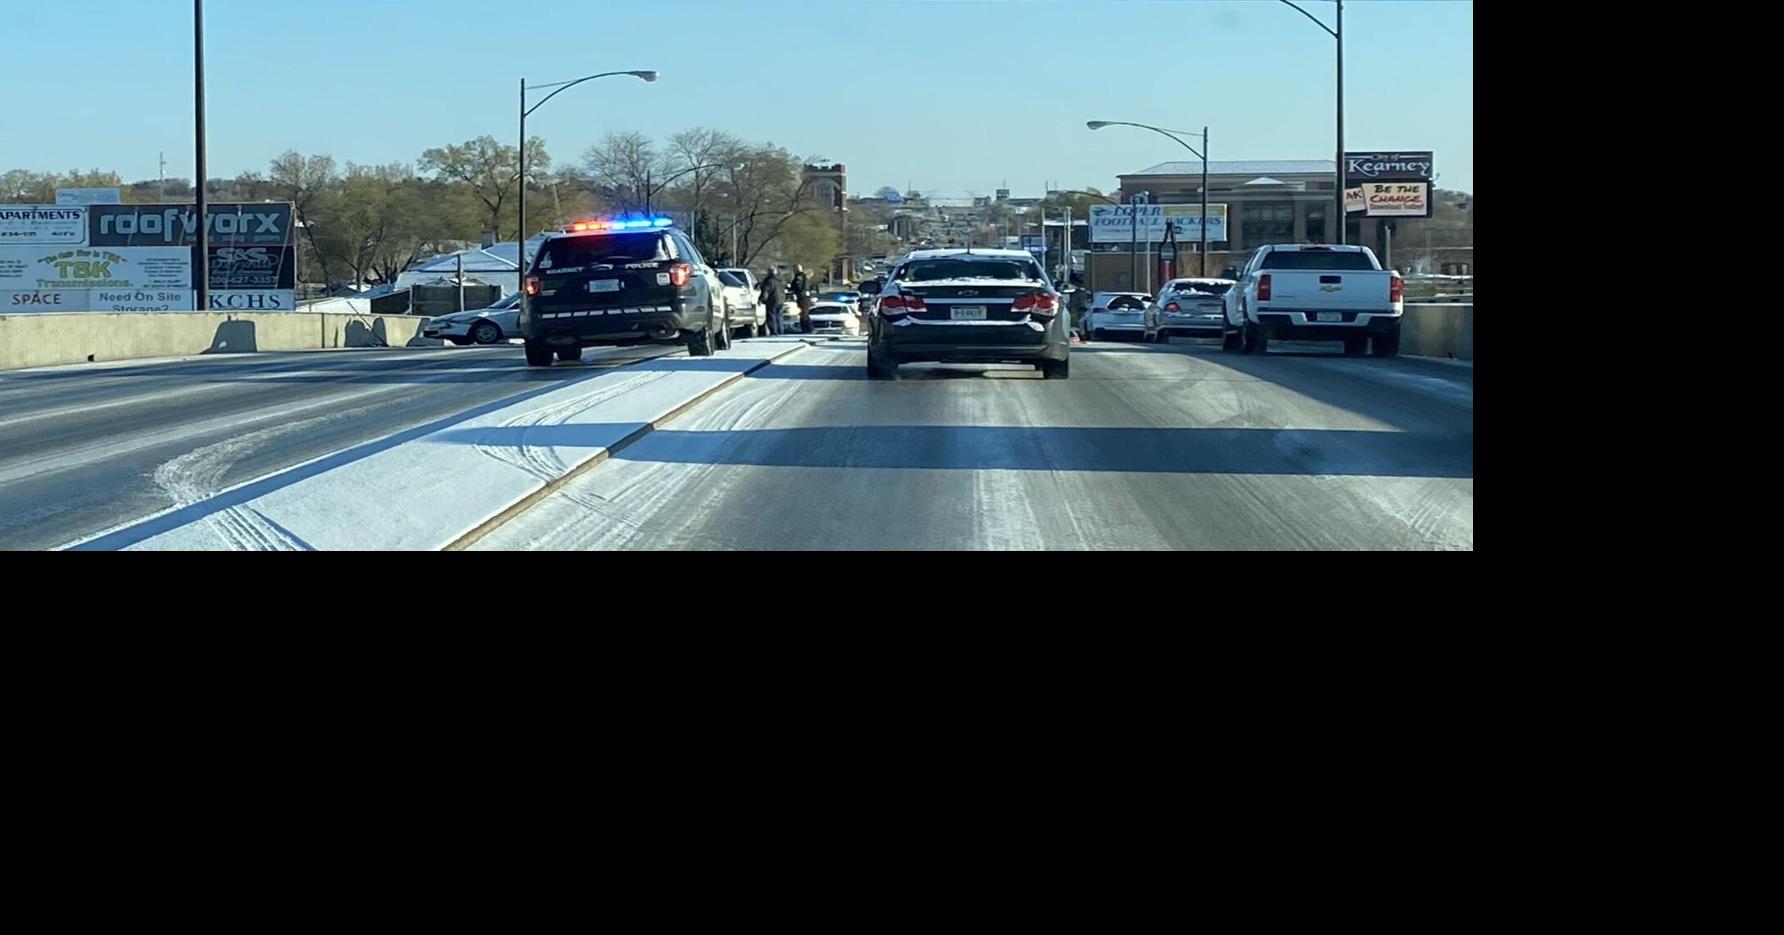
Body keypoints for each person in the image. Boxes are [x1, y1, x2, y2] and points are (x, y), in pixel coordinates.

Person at [758, 268, 786, 336]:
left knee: (771, 317)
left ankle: (774, 332)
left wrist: (762, 299)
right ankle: (780, 331)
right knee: (779, 317)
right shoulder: (781, 280)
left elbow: (765, 291)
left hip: (772, 301)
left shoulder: (769, 281)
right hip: (781, 300)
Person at [790, 265, 813, 333]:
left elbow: (798, 286)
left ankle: (808, 328)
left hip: (802, 297)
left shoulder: (799, 277)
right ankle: (807, 328)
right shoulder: (806, 277)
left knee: (804, 314)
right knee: (804, 313)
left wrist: (793, 290)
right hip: (806, 297)